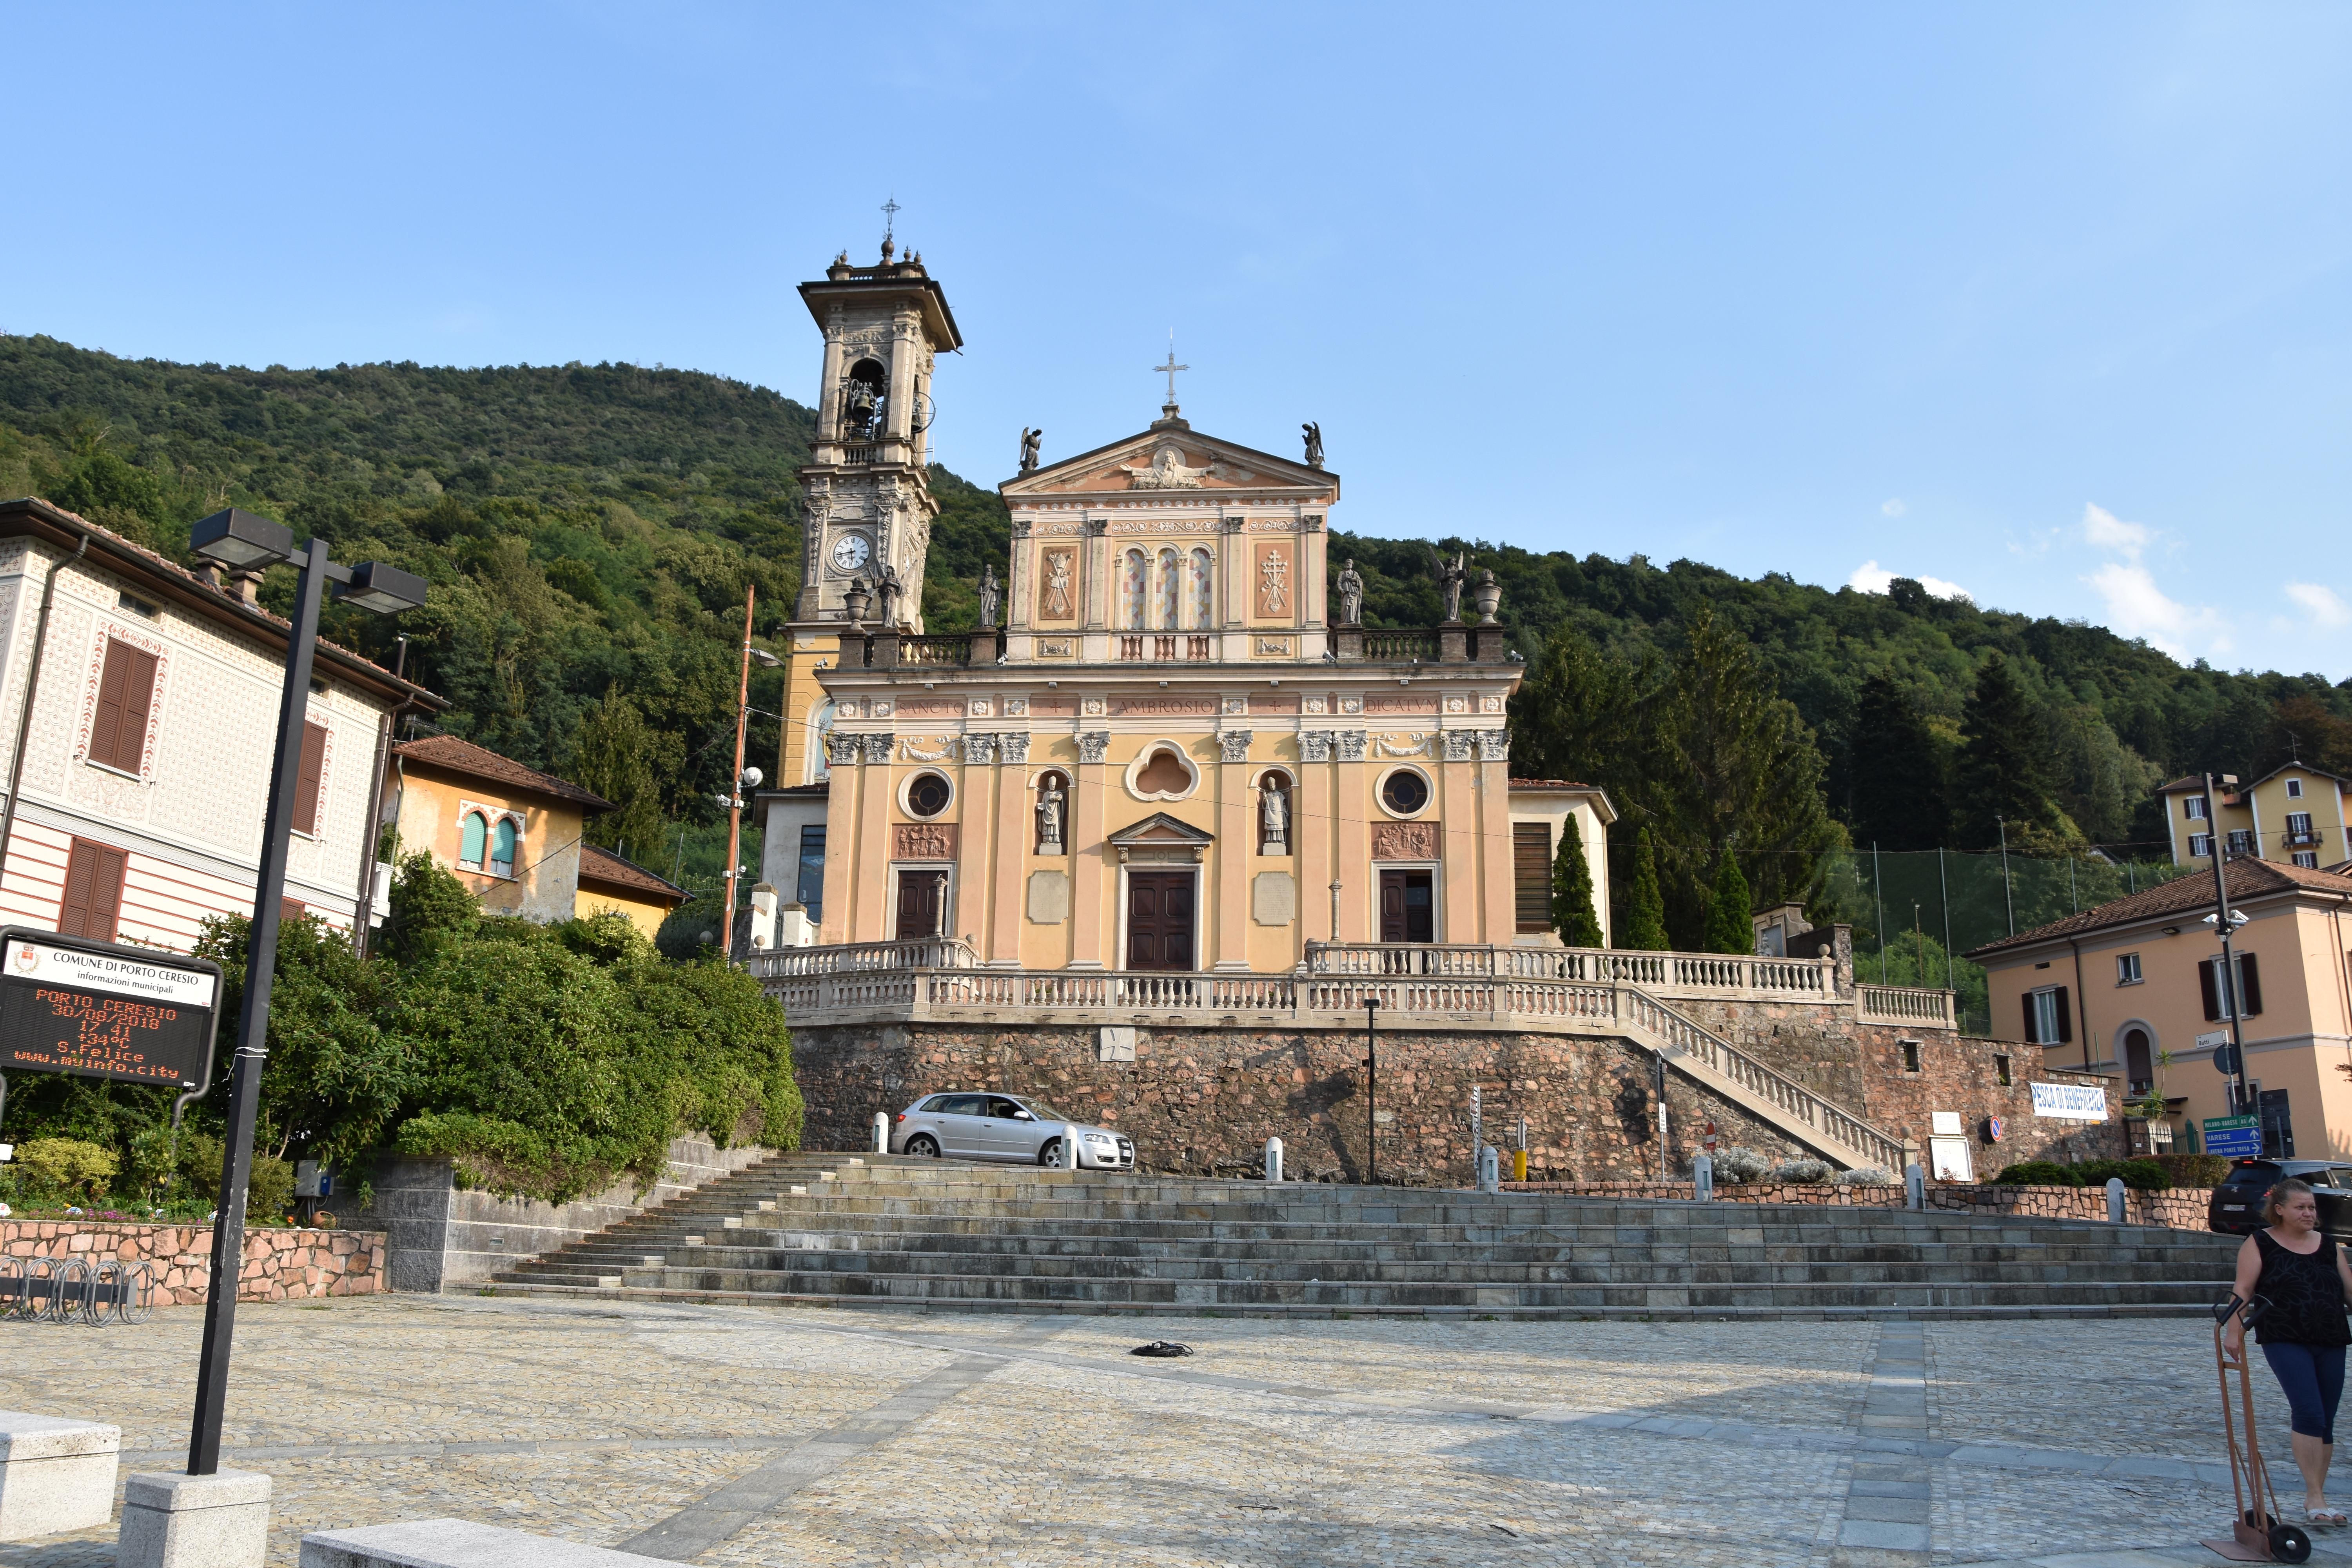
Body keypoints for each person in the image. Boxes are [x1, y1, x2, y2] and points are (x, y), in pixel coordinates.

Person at [2224, 1177, 2352, 1526]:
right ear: (2279, 1210)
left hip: (2331, 1336)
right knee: (2309, 1411)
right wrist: (2233, 1332)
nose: (2309, 1213)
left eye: (2312, 1207)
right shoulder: (2260, 1243)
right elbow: (2243, 1290)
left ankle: (2320, 1498)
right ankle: (2315, 1497)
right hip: (2285, 1336)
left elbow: (2348, 1291)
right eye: (2301, 1207)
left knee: (2326, 1418)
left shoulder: (2329, 1246)